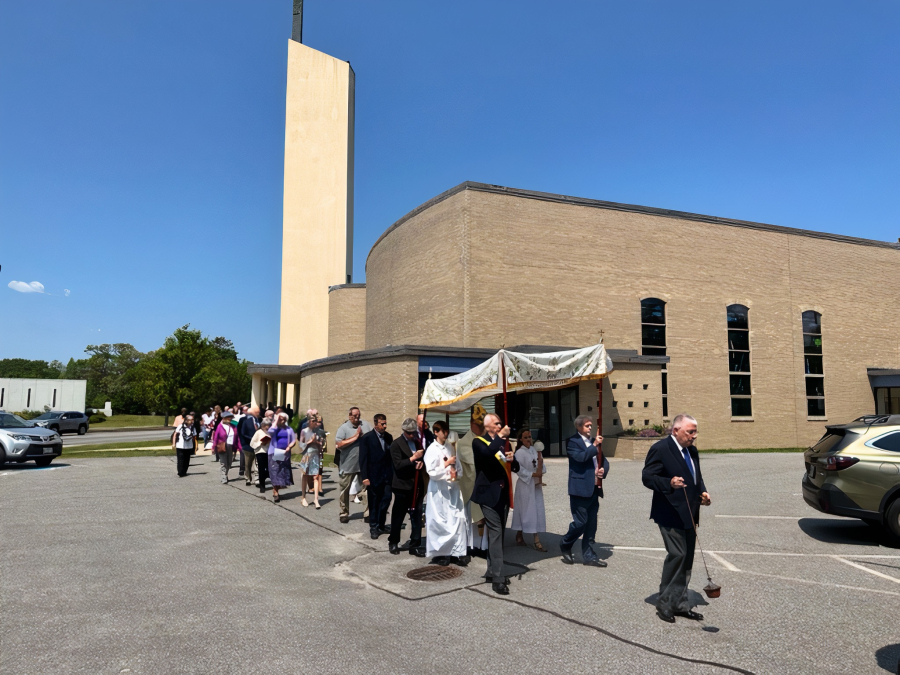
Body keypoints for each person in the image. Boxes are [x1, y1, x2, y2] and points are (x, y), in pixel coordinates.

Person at [642, 414, 711, 624]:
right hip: (670, 512)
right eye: (690, 432)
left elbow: (696, 476)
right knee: (677, 555)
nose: (694, 436)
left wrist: (704, 493)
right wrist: (668, 482)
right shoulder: (661, 449)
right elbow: (647, 477)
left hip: (691, 512)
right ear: (676, 431)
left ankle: (680, 604)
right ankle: (665, 604)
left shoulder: (692, 451)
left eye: (695, 431)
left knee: (687, 559)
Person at [470, 413, 514, 595]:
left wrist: (512, 458)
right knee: (495, 532)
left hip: (502, 494)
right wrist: (502, 437)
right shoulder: (479, 442)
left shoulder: (503, 443)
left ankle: (491, 570)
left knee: (499, 534)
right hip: (488, 495)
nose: (500, 425)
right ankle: (498, 577)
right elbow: (487, 456)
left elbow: (514, 466)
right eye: (496, 423)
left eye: (500, 423)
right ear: (488, 426)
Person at [560, 415, 610, 568]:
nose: (590, 428)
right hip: (580, 489)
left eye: (590, 425)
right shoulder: (572, 442)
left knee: (591, 524)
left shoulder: (594, 442)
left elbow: (604, 461)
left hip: (594, 488)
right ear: (579, 427)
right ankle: (566, 543)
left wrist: (603, 470)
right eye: (587, 426)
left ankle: (589, 556)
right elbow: (580, 458)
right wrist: (594, 445)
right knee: (581, 523)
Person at [424, 420, 470, 565]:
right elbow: (431, 471)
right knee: (440, 521)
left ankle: (458, 551)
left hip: (453, 488)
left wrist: (457, 472)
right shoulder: (432, 449)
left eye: (447, 431)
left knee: (457, 519)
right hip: (439, 490)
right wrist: (446, 463)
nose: (446, 434)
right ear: (436, 432)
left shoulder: (451, 447)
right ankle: (442, 552)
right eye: (443, 431)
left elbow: (457, 465)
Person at [388, 418, 426, 556]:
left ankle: (415, 543)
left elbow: (422, 459)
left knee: (416, 516)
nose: (411, 435)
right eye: (409, 433)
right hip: (402, 485)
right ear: (404, 431)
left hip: (416, 485)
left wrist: (421, 462)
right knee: (398, 516)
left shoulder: (417, 442)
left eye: (413, 432)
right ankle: (393, 541)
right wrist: (413, 458)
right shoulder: (396, 444)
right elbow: (397, 465)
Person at [359, 414, 394, 539]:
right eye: (382, 424)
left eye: (385, 423)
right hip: (373, 476)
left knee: (386, 500)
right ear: (375, 424)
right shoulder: (367, 438)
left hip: (387, 476)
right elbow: (363, 459)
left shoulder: (389, 437)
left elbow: (391, 457)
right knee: (374, 502)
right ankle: (373, 526)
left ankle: (381, 525)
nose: (384, 426)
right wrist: (365, 477)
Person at [511, 429, 547, 551]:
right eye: (525, 437)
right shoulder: (519, 453)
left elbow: (541, 465)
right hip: (525, 485)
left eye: (530, 437)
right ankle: (522, 534)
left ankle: (534, 538)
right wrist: (531, 475)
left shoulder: (534, 450)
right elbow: (518, 469)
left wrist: (540, 469)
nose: (528, 440)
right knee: (525, 510)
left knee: (536, 510)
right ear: (521, 439)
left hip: (535, 486)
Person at [335, 407, 372, 524]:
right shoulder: (344, 428)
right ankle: (344, 513)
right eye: (354, 416)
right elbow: (339, 444)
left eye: (358, 415)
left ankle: (368, 513)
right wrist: (355, 437)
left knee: (366, 489)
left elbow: (372, 438)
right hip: (347, 465)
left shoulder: (366, 425)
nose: (357, 417)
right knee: (344, 490)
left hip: (363, 465)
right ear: (349, 416)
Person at [268, 412, 296, 503]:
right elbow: (270, 432)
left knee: (282, 471)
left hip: (285, 452)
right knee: (275, 471)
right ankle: (275, 491)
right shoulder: (275, 428)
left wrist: (289, 447)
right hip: (274, 452)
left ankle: (277, 488)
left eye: (284, 418)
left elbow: (293, 440)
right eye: (281, 418)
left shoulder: (289, 429)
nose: (282, 420)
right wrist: (276, 421)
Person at [298, 415, 325, 509]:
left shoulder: (319, 432)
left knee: (316, 476)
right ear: (309, 421)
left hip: (316, 456)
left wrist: (318, 443)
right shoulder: (304, 431)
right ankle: (303, 497)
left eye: (316, 421)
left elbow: (322, 445)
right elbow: (300, 444)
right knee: (305, 476)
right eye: (313, 421)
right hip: (306, 455)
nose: (315, 423)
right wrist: (309, 441)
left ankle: (316, 499)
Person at [212, 411, 242, 484]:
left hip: (231, 446)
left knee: (229, 462)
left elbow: (237, 437)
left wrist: (239, 447)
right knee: (223, 462)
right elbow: (215, 437)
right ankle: (223, 477)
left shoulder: (233, 427)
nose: (230, 419)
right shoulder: (220, 426)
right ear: (224, 418)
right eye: (228, 418)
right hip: (222, 445)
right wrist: (214, 446)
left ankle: (226, 473)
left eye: (231, 418)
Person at [238, 405, 261, 486]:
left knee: (257, 463)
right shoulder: (245, 420)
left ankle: (257, 479)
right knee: (248, 463)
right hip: (248, 445)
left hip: (258, 446)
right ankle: (248, 478)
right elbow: (242, 433)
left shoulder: (259, 420)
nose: (259, 413)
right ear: (253, 412)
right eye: (257, 411)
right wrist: (251, 439)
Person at [250, 418, 272, 493]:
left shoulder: (270, 432)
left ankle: (267, 477)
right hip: (260, 451)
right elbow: (252, 443)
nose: (267, 427)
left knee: (268, 468)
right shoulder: (258, 432)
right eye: (265, 425)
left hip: (268, 451)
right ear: (262, 425)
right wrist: (260, 444)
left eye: (268, 425)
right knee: (261, 469)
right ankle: (262, 486)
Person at [172, 413, 197, 477]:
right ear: (186, 420)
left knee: (186, 460)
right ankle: (180, 472)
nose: (191, 421)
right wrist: (174, 443)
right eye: (190, 420)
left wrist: (195, 445)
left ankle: (184, 471)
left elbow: (194, 437)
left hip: (188, 446)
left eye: (192, 420)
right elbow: (175, 434)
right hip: (180, 445)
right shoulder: (180, 426)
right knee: (180, 459)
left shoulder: (193, 428)